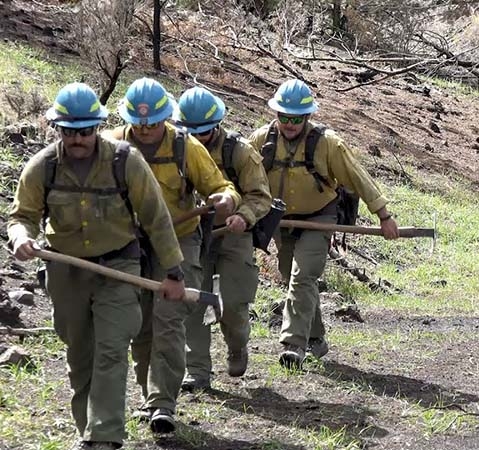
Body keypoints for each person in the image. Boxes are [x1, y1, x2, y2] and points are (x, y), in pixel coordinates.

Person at [6, 83, 185, 450]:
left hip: (118, 267)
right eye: (69, 132)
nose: (78, 140)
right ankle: (87, 430)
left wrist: (174, 272)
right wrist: (22, 237)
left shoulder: (124, 161)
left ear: (98, 127)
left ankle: (104, 437)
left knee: (112, 347)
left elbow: (156, 218)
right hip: (66, 272)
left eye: (85, 131)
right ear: (57, 129)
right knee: (80, 354)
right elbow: (21, 216)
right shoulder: (43, 167)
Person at [102, 78, 241, 433]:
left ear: (165, 118)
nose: (146, 129)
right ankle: (150, 397)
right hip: (131, 246)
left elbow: (221, 187)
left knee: (169, 319)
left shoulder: (186, 146)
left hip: (179, 244)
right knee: (141, 326)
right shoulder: (112, 145)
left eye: (153, 122)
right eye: (139, 122)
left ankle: (164, 403)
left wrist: (225, 200)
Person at [248, 79, 399, 369]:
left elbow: (358, 178)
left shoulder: (328, 144)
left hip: (319, 216)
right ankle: (316, 338)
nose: (289, 124)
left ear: (307, 117)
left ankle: (294, 344)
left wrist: (384, 215)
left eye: (296, 118)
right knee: (289, 273)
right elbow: (241, 174)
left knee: (303, 276)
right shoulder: (260, 141)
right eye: (284, 117)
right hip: (280, 219)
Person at [173, 86, 272, 390]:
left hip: (233, 234)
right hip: (192, 236)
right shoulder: (173, 150)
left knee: (232, 304)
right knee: (191, 301)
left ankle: (237, 345)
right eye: (190, 131)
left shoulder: (240, 152)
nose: (197, 138)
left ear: (216, 125)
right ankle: (198, 372)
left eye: (202, 132)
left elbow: (260, 196)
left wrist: (244, 216)